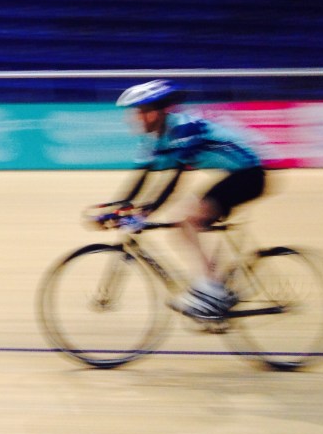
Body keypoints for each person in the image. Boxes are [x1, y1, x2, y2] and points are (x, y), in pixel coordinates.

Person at [108, 79, 266, 320]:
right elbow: (142, 177)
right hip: (233, 175)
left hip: (249, 175)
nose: (134, 118)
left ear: (153, 113)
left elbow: (173, 181)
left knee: (188, 221)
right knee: (190, 220)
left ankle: (211, 290)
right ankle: (214, 286)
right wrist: (115, 207)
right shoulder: (153, 137)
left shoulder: (183, 129)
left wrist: (145, 213)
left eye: (138, 112)